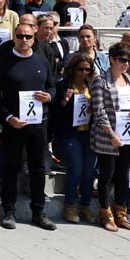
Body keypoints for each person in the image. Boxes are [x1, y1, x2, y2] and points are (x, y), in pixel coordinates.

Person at [0, 23, 57, 230]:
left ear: (34, 39)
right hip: (13, 124)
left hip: (38, 124)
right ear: (14, 37)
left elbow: (52, 85)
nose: (24, 40)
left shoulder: (42, 61)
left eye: (28, 37)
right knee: (11, 167)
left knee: (38, 168)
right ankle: (9, 211)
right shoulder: (3, 62)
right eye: (20, 36)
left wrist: (49, 96)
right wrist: (9, 117)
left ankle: (38, 212)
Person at [89, 43, 130, 232]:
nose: (125, 64)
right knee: (107, 175)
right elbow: (99, 110)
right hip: (108, 136)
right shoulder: (100, 81)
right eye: (122, 60)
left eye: (128, 61)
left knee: (123, 176)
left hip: (128, 134)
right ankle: (105, 213)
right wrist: (111, 135)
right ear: (111, 59)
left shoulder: (128, 79)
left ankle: (121, 212)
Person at [51, 53, 96, 224]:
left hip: (88, 133)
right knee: (76, 167)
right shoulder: (63, 86)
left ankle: (85, 205)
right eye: (81, 69)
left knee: (89, 171)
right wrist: (64, 101)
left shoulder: (91, 86)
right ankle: (69, 205)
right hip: (70, 134)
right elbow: (55, 114)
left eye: (88, 69)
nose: (84, 72)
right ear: (73, 69)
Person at [38, 14, 67, 78]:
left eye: (51, 28)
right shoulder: (32, 46)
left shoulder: (48, 47)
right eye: (46, 28)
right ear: (37, 27)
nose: (49, 31)